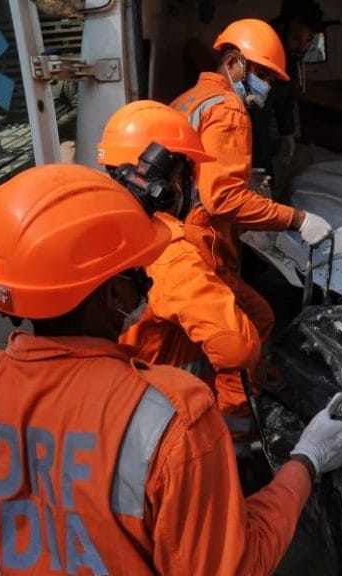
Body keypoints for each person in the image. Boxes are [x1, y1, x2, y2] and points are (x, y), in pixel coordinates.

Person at [0, 164, 342, 575]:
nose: (146, 288)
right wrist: (306, 462)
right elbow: (231, 567)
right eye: (139, 276)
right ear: (113, 293)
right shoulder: (172, 417)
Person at [98, 100, 263, 446]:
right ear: (165, 181)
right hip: (168, 421)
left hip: (108, 410)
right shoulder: (168, 249)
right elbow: (236, 349)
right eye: (187, 174)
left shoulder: (91, 227)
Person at [170, 18, 333, 344]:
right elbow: (223, 199)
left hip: (176, 236)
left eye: (271, 78)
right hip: (203, 242)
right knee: (255, 322)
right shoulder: (229, 109)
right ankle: (244, 392)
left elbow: (202, 174)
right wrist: (297, 219)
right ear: (232, 63)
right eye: (261, 75)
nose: (267, 86)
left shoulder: (192, 98)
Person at [250, 0, 325, 175]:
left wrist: (287, 132)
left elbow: (286, 94)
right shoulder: (262, 54)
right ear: (282, 29)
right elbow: (254, 118)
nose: (303, 47)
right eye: (296, 39)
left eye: (308, 40)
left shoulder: (289, 55)